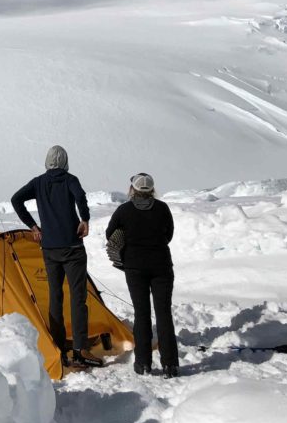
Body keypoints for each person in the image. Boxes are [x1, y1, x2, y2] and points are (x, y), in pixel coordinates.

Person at [11, 145, 104, 368]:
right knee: (78, 297)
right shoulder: (70, 179)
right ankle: (80, 350)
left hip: (49, 248)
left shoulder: (38, 182)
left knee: (55, 297)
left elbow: (16, 200)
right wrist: (85, 219)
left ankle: (58, 348)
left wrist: (33, 226)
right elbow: (80, 197)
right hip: (72, 247)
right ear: (65, 162)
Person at [106, 173, 178, 377]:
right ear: (152, 190)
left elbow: (110, 235)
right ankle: (170, 364)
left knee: (142, 313)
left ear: (133, 189)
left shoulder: (124, 210)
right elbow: (169, 234)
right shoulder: (162, 208)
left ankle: (143, 363)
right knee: (164, 313)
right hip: (161, 266)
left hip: (134, 267)